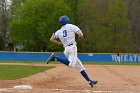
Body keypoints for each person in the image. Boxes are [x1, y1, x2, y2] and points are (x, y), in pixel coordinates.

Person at [47, 15, 98, 88]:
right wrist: (81, 36)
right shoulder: (71, 26)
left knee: (80, 66)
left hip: (66, 50)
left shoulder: (59, 31)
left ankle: (90, 82)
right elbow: (80, 34)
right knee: (71, 65)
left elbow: (51, 39)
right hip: (72, 48)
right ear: (67, 20)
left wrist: (60, 43)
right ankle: (55, 58)